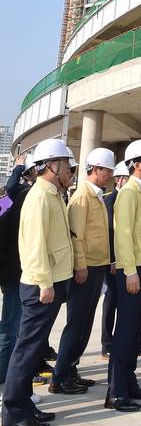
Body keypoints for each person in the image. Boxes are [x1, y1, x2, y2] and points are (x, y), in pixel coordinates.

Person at [1, 137, 75, 426]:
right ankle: (13, 412)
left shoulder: (52, 194)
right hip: (37, 283)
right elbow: (33, 245)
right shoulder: (37, 197)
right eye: (67, 164)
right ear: (52, 166)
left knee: (31, 350)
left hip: (49, 281)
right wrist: (45, 282)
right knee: (24, 348)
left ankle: (24, 406)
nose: (70, 170)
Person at [49, 148, 115, 395]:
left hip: (96, 266)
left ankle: (70, 370)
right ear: (96, 169)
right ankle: (60, 376)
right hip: (85, 269)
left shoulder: (95, 195)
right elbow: (76, 235)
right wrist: (81, 265)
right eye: (107, 170)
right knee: (76, 324)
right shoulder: (82, 197)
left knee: (85, 324)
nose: (109, 175)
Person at [105, 139, 141, 414]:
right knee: (126, 332)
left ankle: (129, 381)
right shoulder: (128, 193)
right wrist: (130, 271)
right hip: (134, 269)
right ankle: (116, 392)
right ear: (137, 164)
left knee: (136, 331)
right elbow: (123, 235)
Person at [0, 156, 36, 385]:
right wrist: (20, 167)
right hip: (13, 271)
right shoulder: (14, 199)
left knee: (14, 325)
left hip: (13, 271)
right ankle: (4, 374)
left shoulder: (12, 200)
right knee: (11, 326)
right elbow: (9, 193)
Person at [101, 161, 129, 358]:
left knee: (125, 302)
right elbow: (110, 232)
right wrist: (112, 259)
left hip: (125, 259)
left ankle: (123, 341)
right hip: (113, 262)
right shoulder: (111, 200)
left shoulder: (128, 198)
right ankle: (107, 343)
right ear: (119, 179)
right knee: (111, 301)